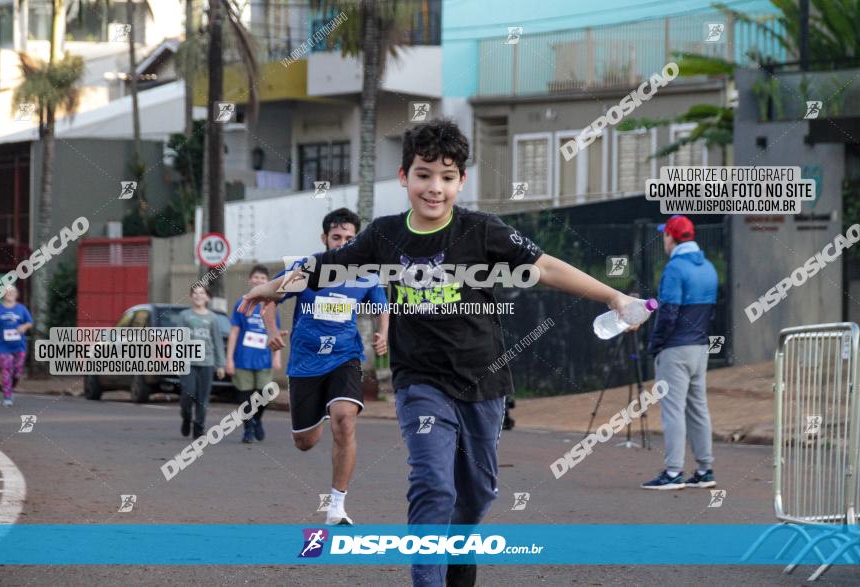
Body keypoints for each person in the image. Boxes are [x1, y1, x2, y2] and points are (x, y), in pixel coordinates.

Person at [240, 119, 644, 587]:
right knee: (433, 483)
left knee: (475, 495)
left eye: (447, 177)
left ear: (461, 181)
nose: (435, 188)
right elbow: (323, 267)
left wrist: (614, 297)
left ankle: (458, 550)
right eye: (425, 174)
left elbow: (547, 267)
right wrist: (271, 286)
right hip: (419, 382)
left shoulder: (483, 230)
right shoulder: (384, 236)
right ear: (404, 177)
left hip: (483, 380)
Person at [261, 207, 389, 526]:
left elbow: (381, 308)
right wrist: (273, 333)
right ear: (325, 238)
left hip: (345, 357)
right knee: (305, 442)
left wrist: (383, 334)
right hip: (306, 361)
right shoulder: (307, 269)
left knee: (345, 420)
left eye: (349, 238)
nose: (343, 244)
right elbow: (268, 302)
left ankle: (337, 507)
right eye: (337, 237)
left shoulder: (367, 273)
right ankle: (317, 411)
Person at [642, 215, 718, 490]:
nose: (664, 240)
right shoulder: (708, 267)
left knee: (672, 411)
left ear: (672, 238)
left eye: (665, 235)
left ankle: (673, 472)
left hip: (675, 349)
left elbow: (669, 312)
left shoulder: (675, 269)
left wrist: (656, 343)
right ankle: (705, 469)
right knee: (698, 408)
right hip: (700, 347)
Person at [226, 264, 282, 443]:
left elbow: (276, 332)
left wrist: (277, 356)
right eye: (256, 277)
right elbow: (234, 332)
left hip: (264, 358)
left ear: (268, 282)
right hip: (243, 358)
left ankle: (257, 419)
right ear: (250, 280)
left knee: (264, 393)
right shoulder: (241, 304)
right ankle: (247, 428)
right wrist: (229, 360)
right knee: (245, 397)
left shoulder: (270, 305)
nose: (258, 280)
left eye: (263, 278)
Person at [178, 284, 226, 439]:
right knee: (188, 394)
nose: (198, 296)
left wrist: (220, 365)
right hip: (188, 362)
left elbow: (217, 342)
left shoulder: (213, 318)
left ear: (207, 297)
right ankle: (186, 417)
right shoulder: (184, 316)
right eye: (195, 293)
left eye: (202, 293)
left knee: (202, 397)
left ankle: (199, 426)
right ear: (191, 296)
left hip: (207, 362)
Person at [0, 287, 32, 407]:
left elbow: (29, 322)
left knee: (17, 371)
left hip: (19, 346)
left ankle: (12, 386)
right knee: (6, 370)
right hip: (2, 346)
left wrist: (24, 327)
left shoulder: (21, 309)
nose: (10, 294)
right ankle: (7, 397)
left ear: (17, 294)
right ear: (3, 295)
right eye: (8, 292)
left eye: (12, 292)